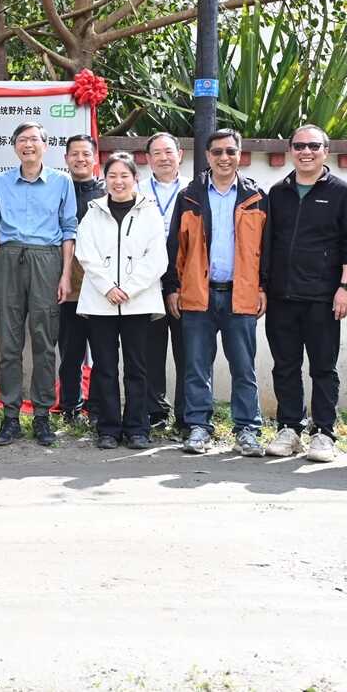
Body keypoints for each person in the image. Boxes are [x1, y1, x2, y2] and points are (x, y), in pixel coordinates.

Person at [261, 126, 347, 463]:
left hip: (323, 297)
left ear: (326, 151)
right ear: (290, 150)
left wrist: (346, 287)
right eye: (299, 146)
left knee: (323, 368)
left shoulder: (343, 192)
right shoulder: (277, 192)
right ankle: (289, 429)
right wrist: (263, 287)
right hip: (281, 296)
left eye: (313, 146)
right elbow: (267, 244)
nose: (306, 152)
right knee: (285, 366)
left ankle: (323, 433)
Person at [163, 129, 269, 456]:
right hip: (198, 294)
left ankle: (247, 429)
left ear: (240, 155)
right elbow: (176, 246)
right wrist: (173, 287)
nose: (224, 158)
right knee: (196, 367)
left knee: (244, 368)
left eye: (230, 151)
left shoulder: (256, 196)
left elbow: (267, 248)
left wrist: (263, 287)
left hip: (241, 295)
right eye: (218, 152)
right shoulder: (190, 196)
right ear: (208, 156)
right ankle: (198, 427)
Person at [0, 122, 77, 446]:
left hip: (46, 261)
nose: (28, 145)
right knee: (9, 345)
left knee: (44, 342)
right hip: (9, 259)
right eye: (22, 140)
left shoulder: (62, 182)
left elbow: (69, 230)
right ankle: (10, 416)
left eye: (34, 139)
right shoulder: (0, 182)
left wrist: (65, 275)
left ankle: (42, 416)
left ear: (45, 146)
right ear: (14, 146)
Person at [75, 152, 168, 449]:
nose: (118, 181)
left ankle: (137, 428)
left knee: (137, 368)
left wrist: (129, 289)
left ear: (135, 179)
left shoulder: (150, 212)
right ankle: (108, 429)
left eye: (124, 175)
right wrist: (107, 288)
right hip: (100, 302)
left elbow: (157, 259)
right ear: (104, 180)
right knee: (105, 367)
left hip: (137, 302)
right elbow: (85, 253)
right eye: (112, 176)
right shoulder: (94, 212)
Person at [56, 134, 105, 420]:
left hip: (100, 286)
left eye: (86, 153)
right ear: (66, 159)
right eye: (74, 154)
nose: (80, 159)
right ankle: (70, 407)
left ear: (95, 157)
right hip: (68, 285)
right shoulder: (57, 190)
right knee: (70, 352)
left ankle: (97, 407)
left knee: (102, 352)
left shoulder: (107, 192)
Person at [143, 132, 187, 429]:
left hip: (185, 280)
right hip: (147, 282)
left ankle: (186, 415)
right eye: (156, 153)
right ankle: (155, 412)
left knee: (188, 351)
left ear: (179, 155)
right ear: (148, 159)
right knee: (150, 351)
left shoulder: (194, 189)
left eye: (168, 151)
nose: (163, 157)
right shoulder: (137, 190)